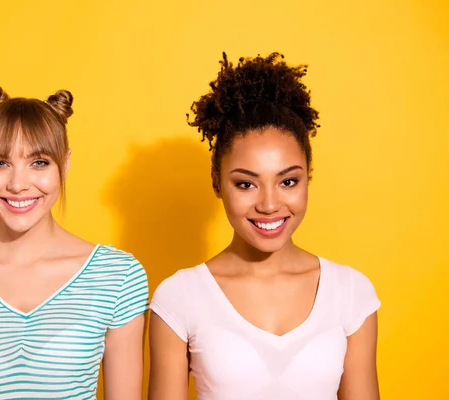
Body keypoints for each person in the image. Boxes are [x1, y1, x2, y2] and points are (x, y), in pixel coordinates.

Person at [148, 53, 380, 400]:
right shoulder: (178, 298)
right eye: (246, 184)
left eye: (288, 182)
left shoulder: (351, 292)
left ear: (307, 178)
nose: (269, 205)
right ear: (216, 182)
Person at [0, 85, 149, 400]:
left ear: (66, 162)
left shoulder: (117, 276)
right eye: (0, 163)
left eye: (39, 162)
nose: (18, 184)